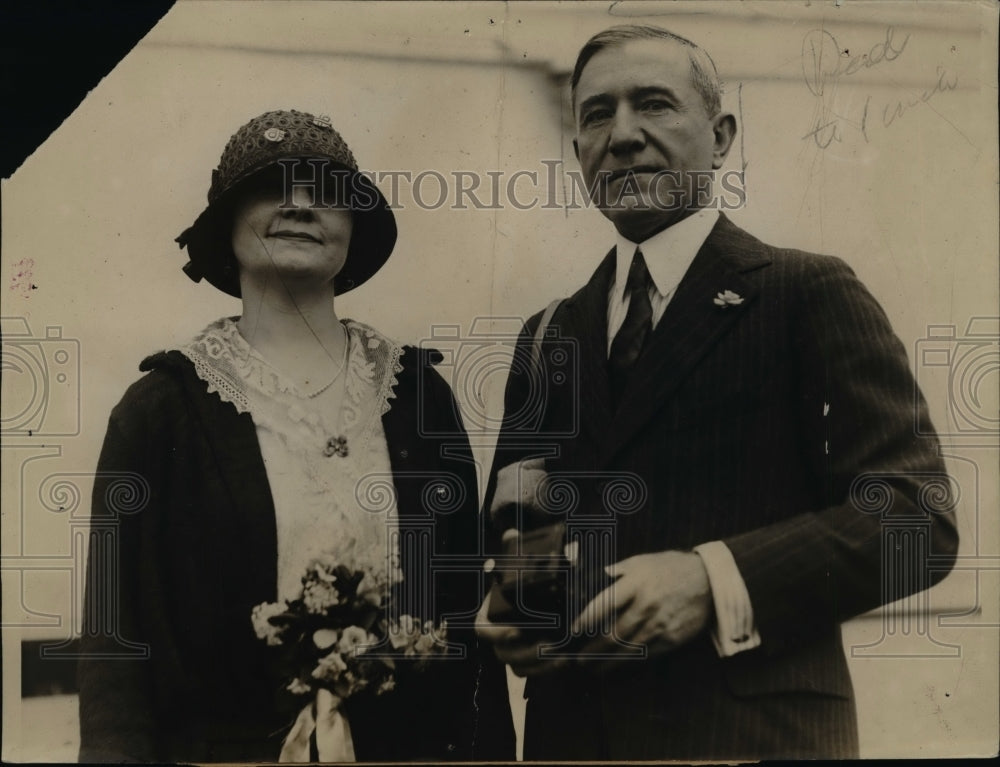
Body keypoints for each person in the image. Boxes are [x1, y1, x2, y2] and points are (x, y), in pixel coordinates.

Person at [476, 25, 959, 760]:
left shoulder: (805, 292)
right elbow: (518, 524)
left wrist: (713, 579)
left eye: (655, 105)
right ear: (578, 151)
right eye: (597, 114)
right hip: (575, 739)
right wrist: (512, 600)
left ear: (722, 135)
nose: (624, 135)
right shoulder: (547, 335)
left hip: (752, 736)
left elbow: (916, 525)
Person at [77, 109, 514, 763]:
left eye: (328, 190)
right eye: (271, 185)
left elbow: (465, 628)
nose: (302, 204)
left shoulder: (420, 398)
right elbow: (118, 651)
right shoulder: (161, 410)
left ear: (352, 227)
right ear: (225, 221)